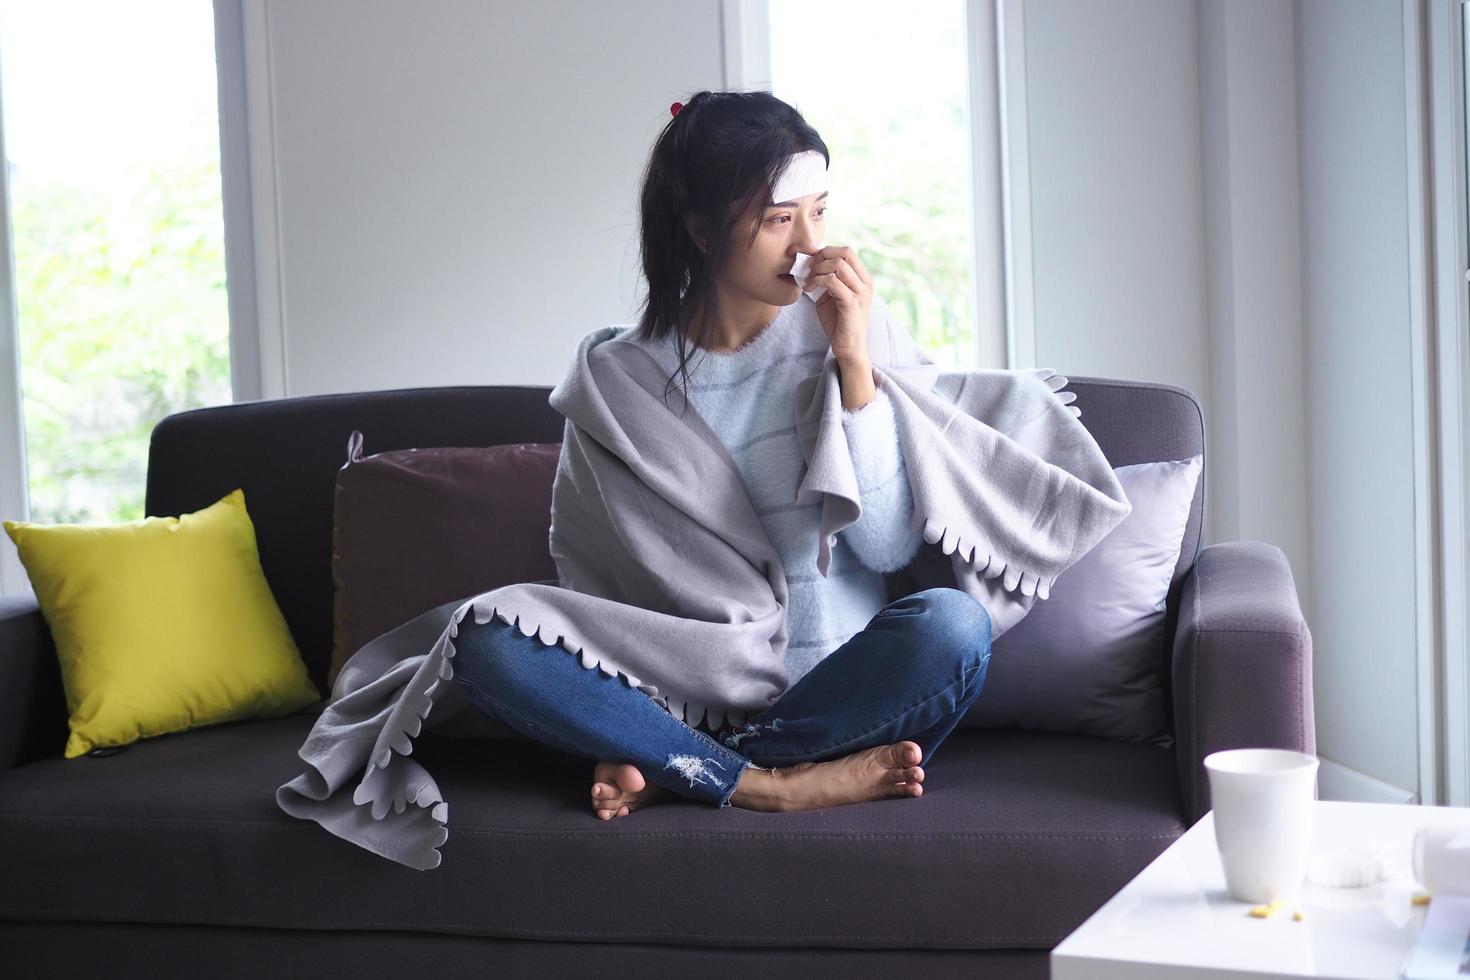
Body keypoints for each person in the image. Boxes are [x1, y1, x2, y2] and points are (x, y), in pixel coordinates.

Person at [447, 89, 992, 821]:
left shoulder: (850, 330)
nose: (808, 244)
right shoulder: (615, 386)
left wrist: (854, 363)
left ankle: (681, 773)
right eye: (777, 221)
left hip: (847, 693)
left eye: (819, 211)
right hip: (683, 696)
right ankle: (766, 784)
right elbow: (592, 587)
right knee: (482, 638)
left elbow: (889, 542)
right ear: (702, 231)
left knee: (954, 628)